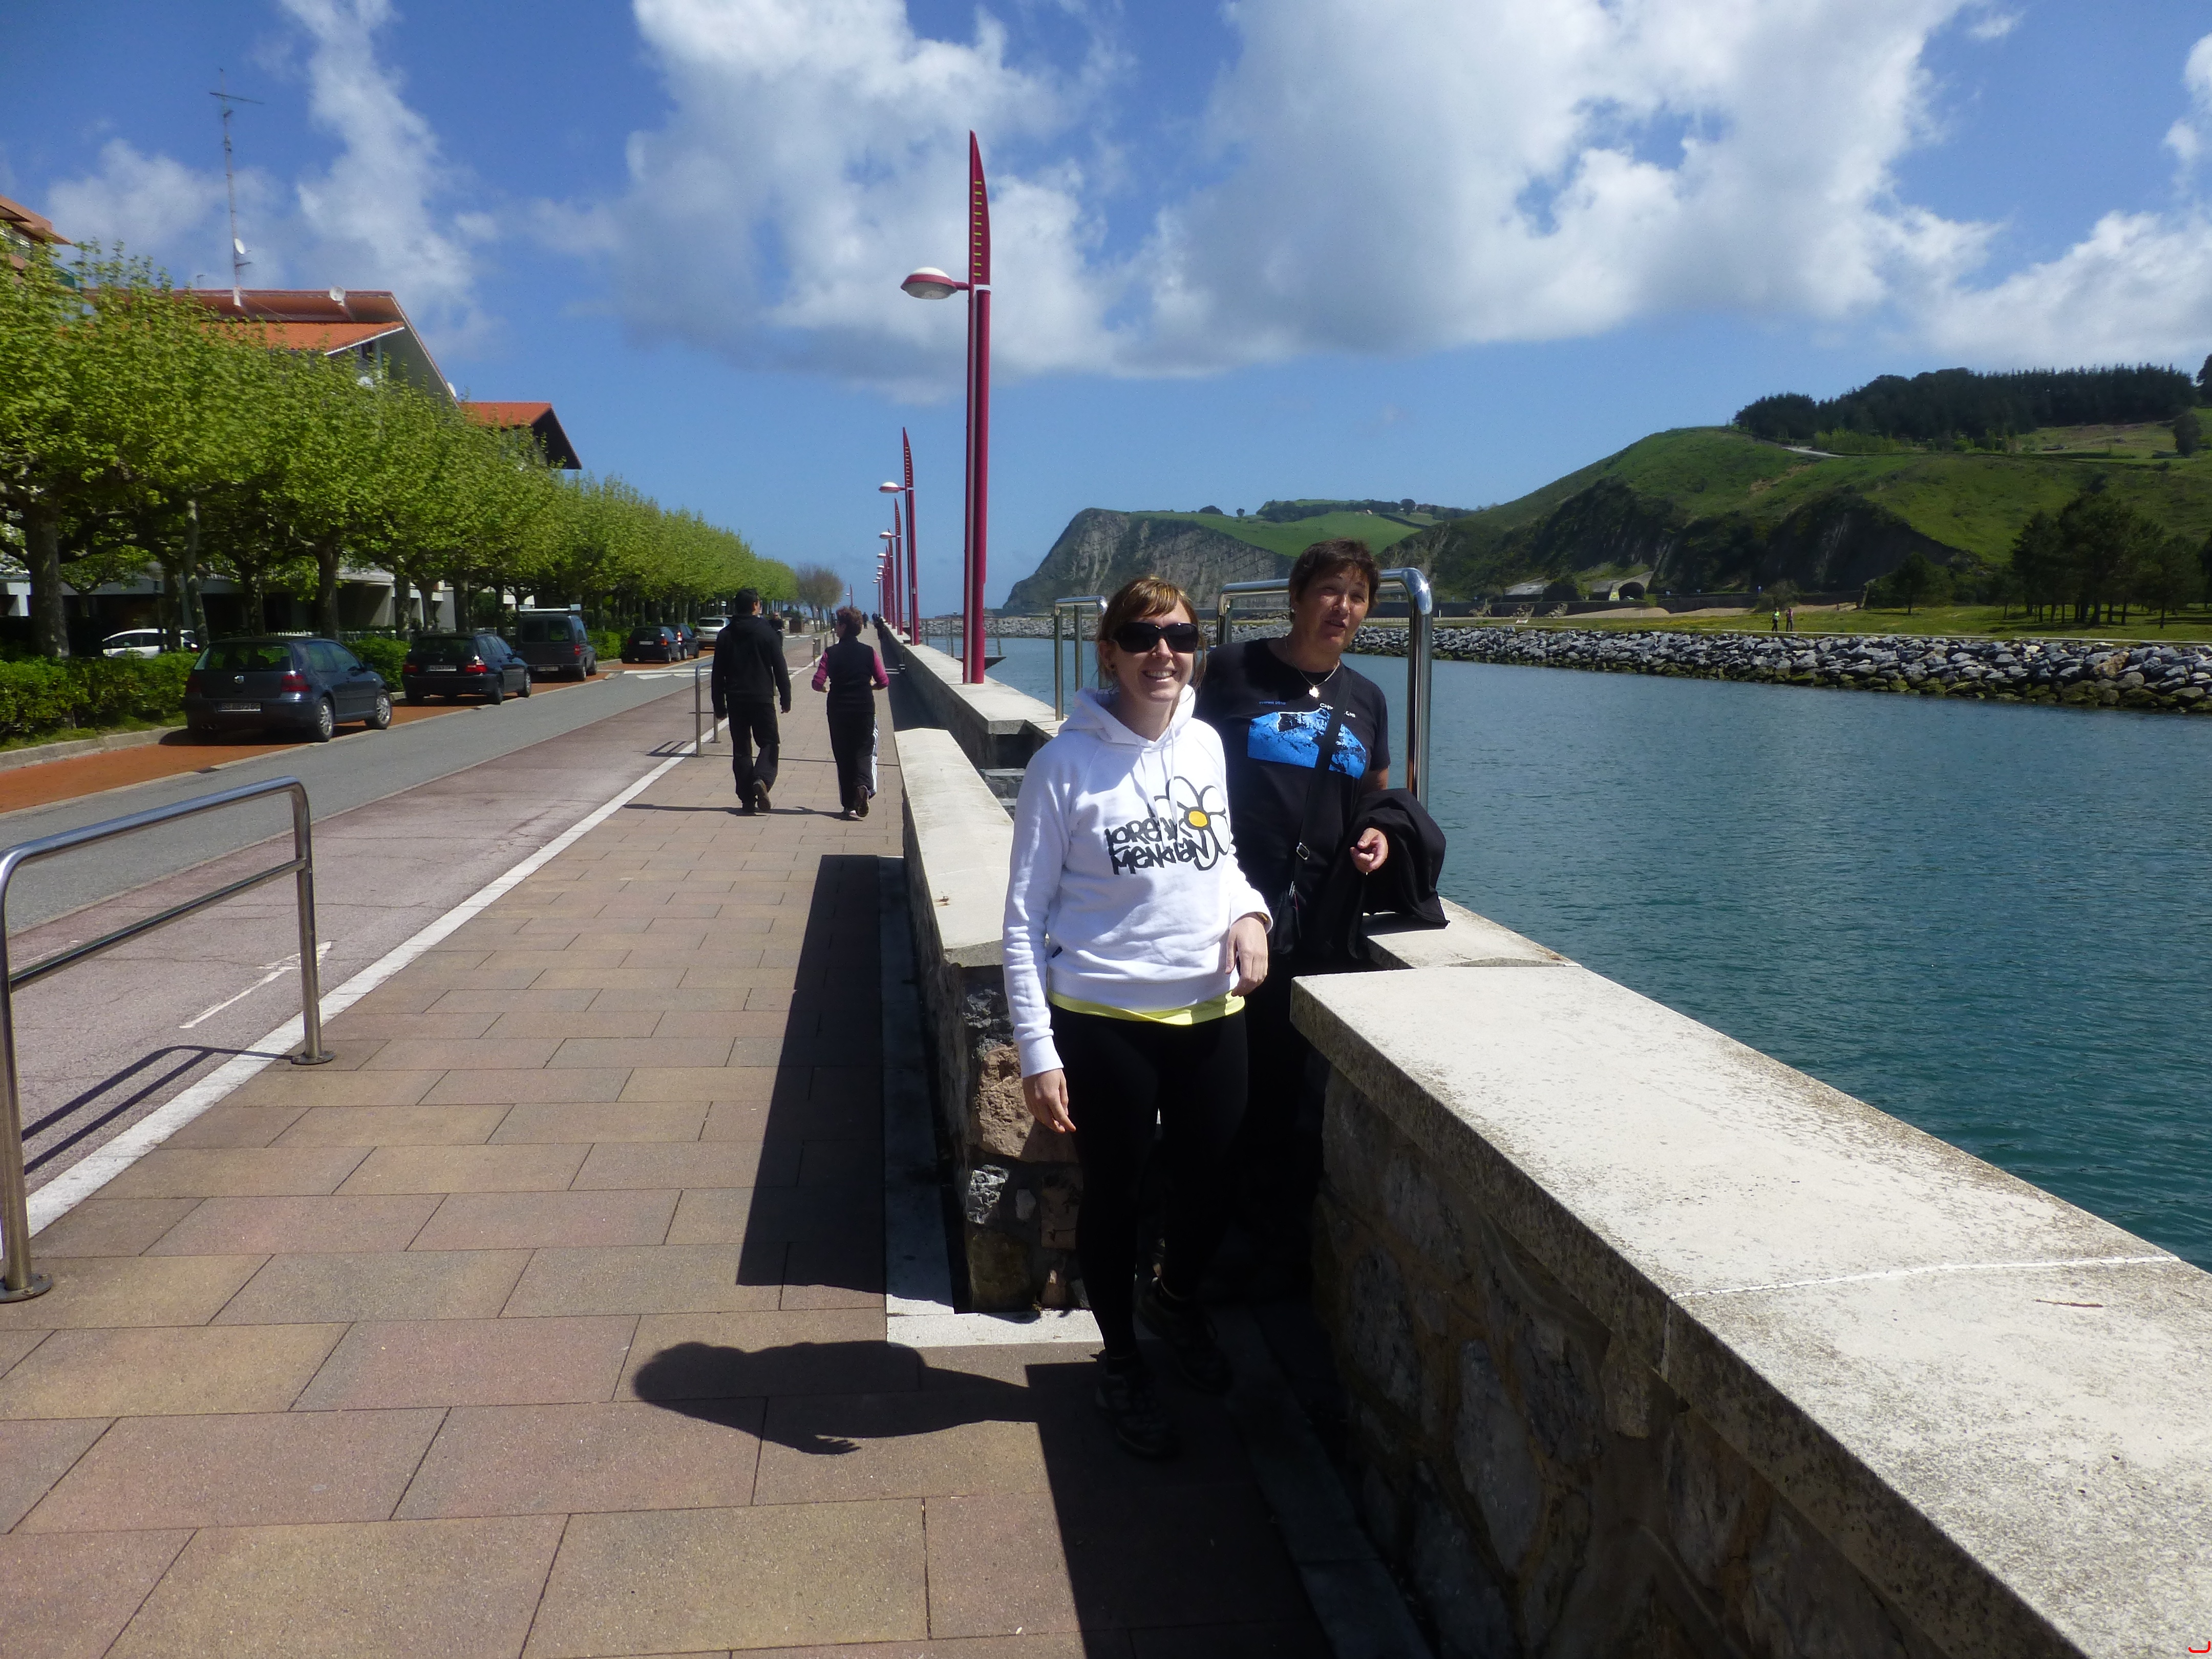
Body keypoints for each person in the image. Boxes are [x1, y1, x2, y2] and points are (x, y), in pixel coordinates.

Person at [1003, 576, 1273, 1460]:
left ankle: (1175, 1300)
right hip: (1104, 1015)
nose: (1164, 652)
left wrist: (1250, 914)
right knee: (1115, 1196)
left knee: (1215, 1179)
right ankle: (1120, 1360)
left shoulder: (1204, 744)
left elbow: (1222, 859)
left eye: (1181, 636)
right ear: (1109, 652)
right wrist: (1037, 1050)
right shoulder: (1064, 766)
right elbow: (1022, 917)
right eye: (1143, 636)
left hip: (1209, 1007)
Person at [1194, 538, 1392, 1286]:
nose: (1344, 607)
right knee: (1220, 1077)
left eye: (1358, 596)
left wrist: (1378, 833)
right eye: (1331, 590)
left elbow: (1375, 794)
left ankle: (1262, 1238)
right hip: (1231, 906)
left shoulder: (1367, 697)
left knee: (1282, 1080)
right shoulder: (1231, 670)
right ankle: (1200, 1231)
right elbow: (1172, 757)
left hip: (1318, 919)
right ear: (1298, 597)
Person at [709, 588, 792, 814]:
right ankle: (762, 779)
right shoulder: (767, 633)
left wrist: (719, 705)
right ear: (755, 605)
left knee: (742, 749)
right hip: (762, 697)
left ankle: (747, 799)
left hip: (736, 698)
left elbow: (717, 674)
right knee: (769, 742)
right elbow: (780, 667)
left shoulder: (725, 635)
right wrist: (786, 697)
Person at [812, 606, 889, 819]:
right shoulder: (869, 652)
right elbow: (884, 681)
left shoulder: (830, 653)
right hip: (864, 708)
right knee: (864, 750)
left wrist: (825, 689)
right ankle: (864, 785)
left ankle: (849, 804)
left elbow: (817, 682)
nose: (836, 627)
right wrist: (871, 687)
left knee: (843, 754)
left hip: (838, 709)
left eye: (838, 624)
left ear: (844, 627)